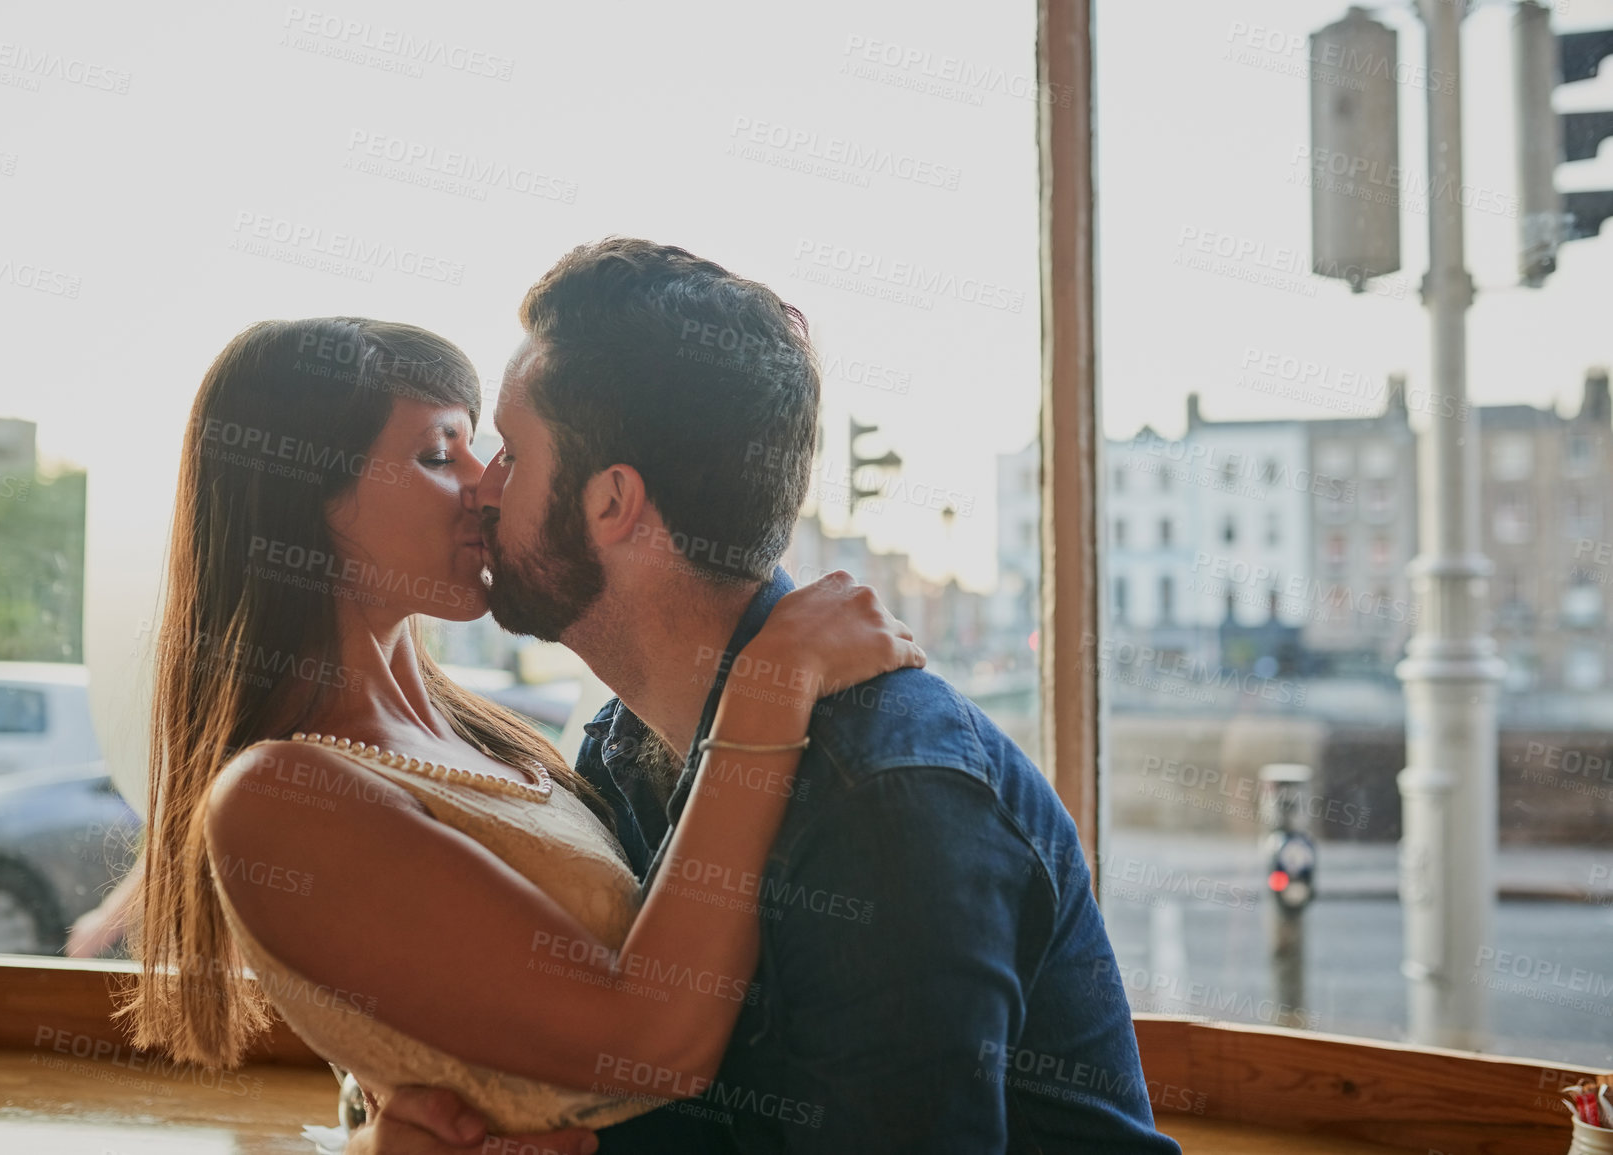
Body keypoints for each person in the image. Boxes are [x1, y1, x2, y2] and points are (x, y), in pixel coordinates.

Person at [351, 238, 1183, 1154]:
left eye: (510, 451)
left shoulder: (888, 797)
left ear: (612, 502)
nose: (483, 490)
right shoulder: (619, 752)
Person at [119, 316, 922, 1147]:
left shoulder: (493, 737)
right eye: (439, 454)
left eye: (482, 446)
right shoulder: (279, 796)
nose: (485, 483)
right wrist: (767, 689)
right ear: (302, 500)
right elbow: (645, 1045)